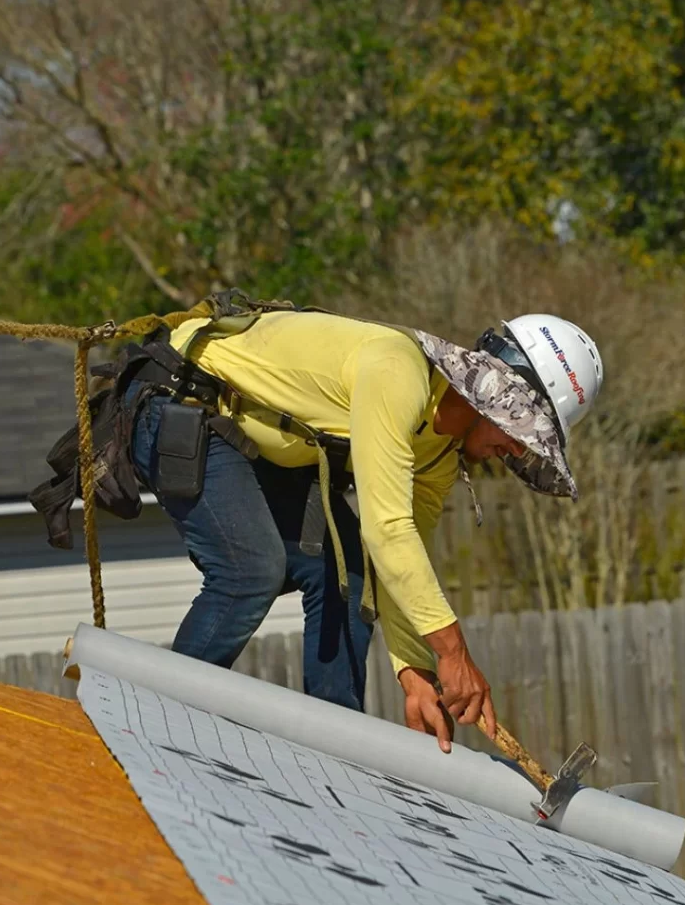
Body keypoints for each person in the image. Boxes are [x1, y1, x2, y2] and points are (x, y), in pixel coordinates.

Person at [124, 302, 603, 752]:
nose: (520, 451)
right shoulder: (398, 373)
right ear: (495, 398)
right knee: (251, 570)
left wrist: (416, 672)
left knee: (351, 573)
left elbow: (397, 561)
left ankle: (333, 750)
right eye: (520, 433)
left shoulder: (436, 455)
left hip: (243, 443)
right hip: (178, 400)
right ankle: (160, 725)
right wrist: (453, 653)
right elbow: (387, 530)